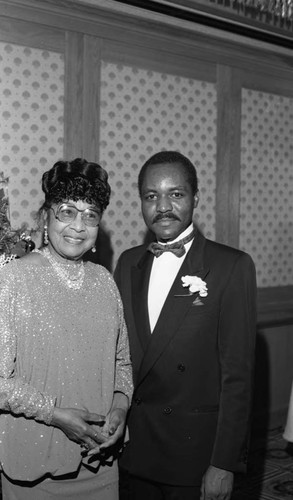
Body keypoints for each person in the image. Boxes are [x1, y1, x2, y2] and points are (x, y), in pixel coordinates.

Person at [114, 151, 257, 500]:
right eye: (151, 196)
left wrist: (224, 463)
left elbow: (237, 377)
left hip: (194, 455)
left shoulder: (231, 266)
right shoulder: (127, 262)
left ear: (195, 198)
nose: (162, 206)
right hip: (134, 449)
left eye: (175, 194)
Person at [0, 158, 133, 500]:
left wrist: (120, 406)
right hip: (34, 467)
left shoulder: (105, 281)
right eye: (67, 211)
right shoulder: (13, 279)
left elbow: (122, 365)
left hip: (100, 464)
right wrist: (55, 414)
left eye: (90, 214)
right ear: (46, 216)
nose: (78, 225)